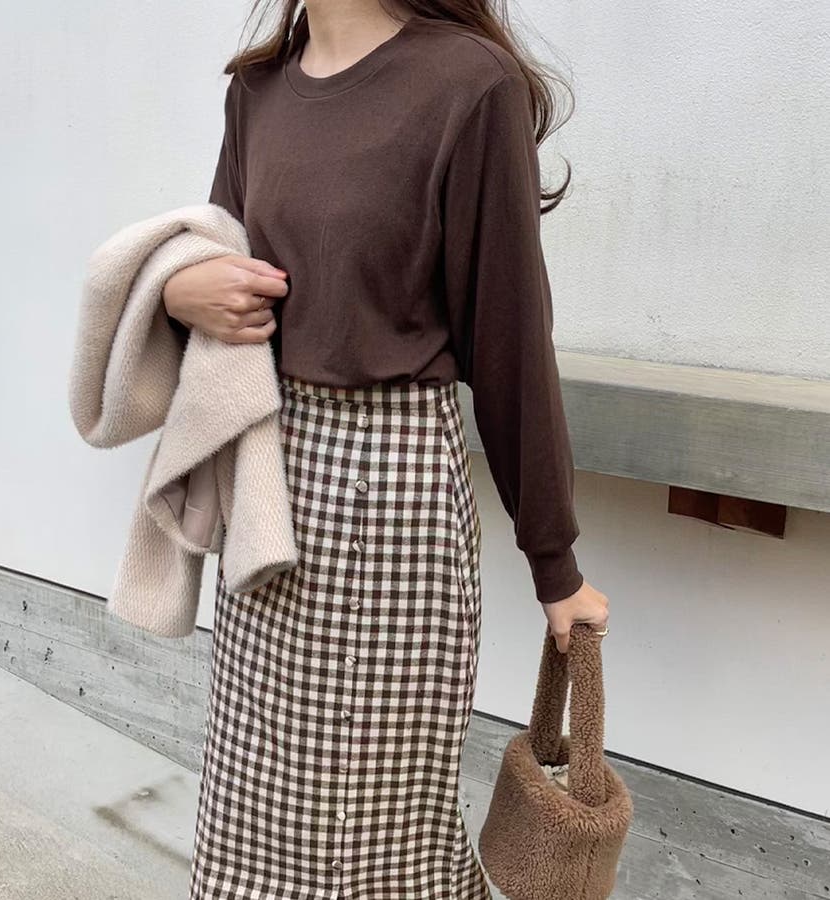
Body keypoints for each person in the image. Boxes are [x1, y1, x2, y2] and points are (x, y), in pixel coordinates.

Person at [163, 2, 610, 896]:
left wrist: (554, 564)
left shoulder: (467, 85)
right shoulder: (257, 91)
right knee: (258, 815)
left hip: (395, 491)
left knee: (376, 832)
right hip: (268, 487)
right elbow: (224, 268)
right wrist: (179, 291)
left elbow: (511, 341)